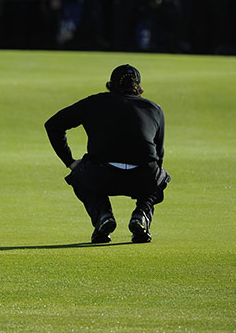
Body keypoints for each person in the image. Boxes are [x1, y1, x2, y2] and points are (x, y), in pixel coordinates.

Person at [44, 65, 171, 244]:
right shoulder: (154, 109)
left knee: (80, 174)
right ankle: (141, 216)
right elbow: (159, 156)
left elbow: (53, 124)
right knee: (159, 176)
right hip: (142, 177)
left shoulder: (94, 103)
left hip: (102, 175)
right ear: (139, 87)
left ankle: (103, 217)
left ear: (110, 85)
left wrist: (70, 162)